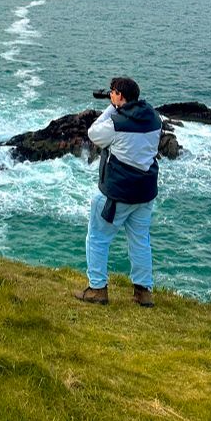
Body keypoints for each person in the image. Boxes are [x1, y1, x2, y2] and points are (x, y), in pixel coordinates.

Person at [74, 76, 162, 307]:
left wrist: (111, 109)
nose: (110, 95)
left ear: (119, 96)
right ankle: (143, 293)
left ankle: (97, 289)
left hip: (117, 193)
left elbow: (94, 133)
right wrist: (117, 105)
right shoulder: (154, 117)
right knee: (140, 240)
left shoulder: (115, 123)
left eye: (113, 92)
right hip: (144, 193)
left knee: (97, 238)